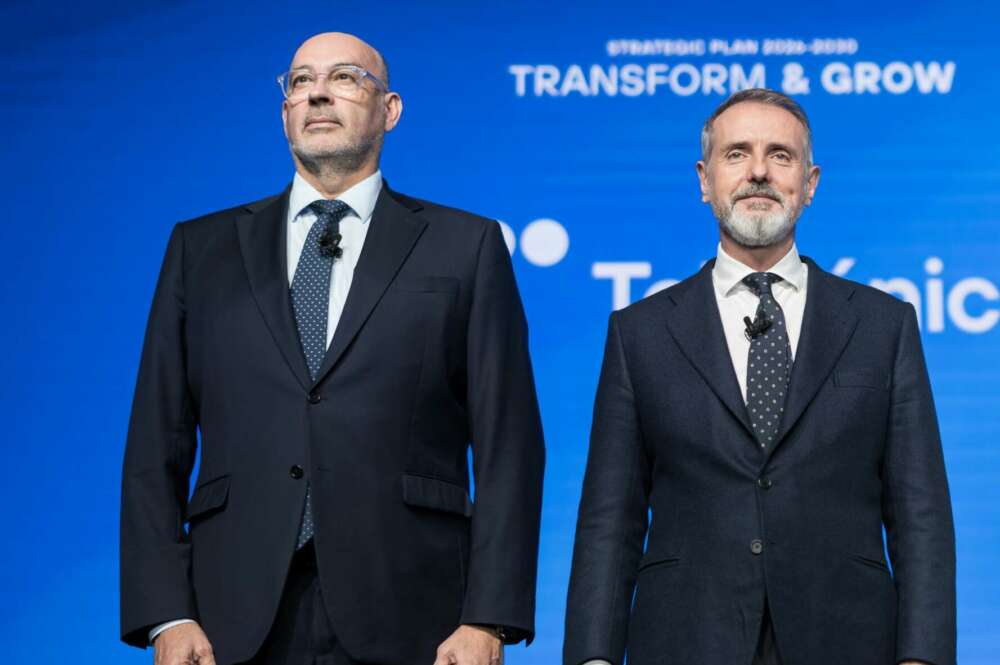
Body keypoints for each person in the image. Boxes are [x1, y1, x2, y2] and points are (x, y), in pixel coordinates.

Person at [120, 32, 545, 665]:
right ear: (284, 112)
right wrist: (166, 613)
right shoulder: (200, 249)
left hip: (415, 611)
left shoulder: (466, 246)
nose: (317, 93)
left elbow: (509, 445)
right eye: (300, 81)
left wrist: (488, 617)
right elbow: (156, 443)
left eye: (345, 77)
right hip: (230, 616)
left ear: (390, 110)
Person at [563, 88, 955, 665]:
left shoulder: (883, 326)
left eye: (780, 155)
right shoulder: (639, 332)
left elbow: (921, 514)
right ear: (705, 180)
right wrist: (593, 657)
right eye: (736, 153)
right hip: (685, 639)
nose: (758, 172)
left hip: (846, 638)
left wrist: (922, 657)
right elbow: (609, 517)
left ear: (810, 183)